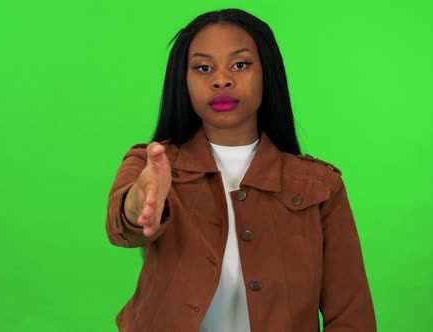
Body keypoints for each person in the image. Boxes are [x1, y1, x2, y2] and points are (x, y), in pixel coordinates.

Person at [105, 8, 376, 332]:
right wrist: (143, 204)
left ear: (267, 73)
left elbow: (351, 315)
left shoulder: (322, 185)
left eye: (240, 64)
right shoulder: (151, 163)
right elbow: (122, 221)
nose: (221, 79)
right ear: (184, 81)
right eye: (203, 67)